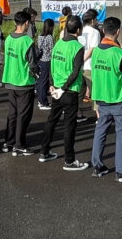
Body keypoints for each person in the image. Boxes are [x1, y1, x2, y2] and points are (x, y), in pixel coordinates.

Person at [89, 17, 122, 181]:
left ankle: (97, 166)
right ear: (118, 32)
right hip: (117, 98)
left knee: (100, 132)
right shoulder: (119, 53)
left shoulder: (96, 50)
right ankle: (121, 171)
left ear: (103, 30)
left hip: (101, 98)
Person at [38, 16, 89, 170]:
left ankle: (44, 151)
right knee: (69, 126)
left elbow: (52, 65)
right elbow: (75, 71)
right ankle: (69, 160)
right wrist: (64, 87)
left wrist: (53, 85)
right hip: (69, 91)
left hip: (57, 90)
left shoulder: (58, 43)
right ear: (79, 30)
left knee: (52, 120)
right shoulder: (78, 47)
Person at [2, 10, 40, 155]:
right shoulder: (27, 41)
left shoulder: (9, 38)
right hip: (24, 82)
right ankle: (19, 144)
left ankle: (8, 142)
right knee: (23, 115)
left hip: (10, 80)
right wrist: (37, 73)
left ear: (14, 22)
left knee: (12, 114)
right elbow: (32, 64)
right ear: (26, 23)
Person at [35, 19, 55, 110]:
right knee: (44, 82)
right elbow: (52, 50)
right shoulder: (49, 37)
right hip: (47, 61)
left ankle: (41, 101)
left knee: (40, 82)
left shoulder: (40, 36)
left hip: (40, 60)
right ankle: (43, 102)